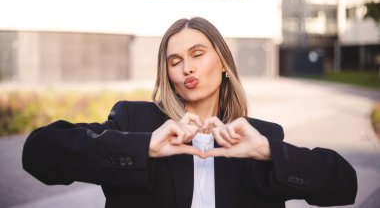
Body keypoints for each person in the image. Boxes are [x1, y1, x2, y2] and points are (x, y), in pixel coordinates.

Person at [22, 17, 357, 208]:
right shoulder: (136, 122)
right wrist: (145, 147)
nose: (187, 68)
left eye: (197, 54)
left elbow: (344, 185)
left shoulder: (260, 137)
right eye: (175, 61)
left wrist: (266, 152)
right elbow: (39, 152)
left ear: (223, 62)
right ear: (167, 72)